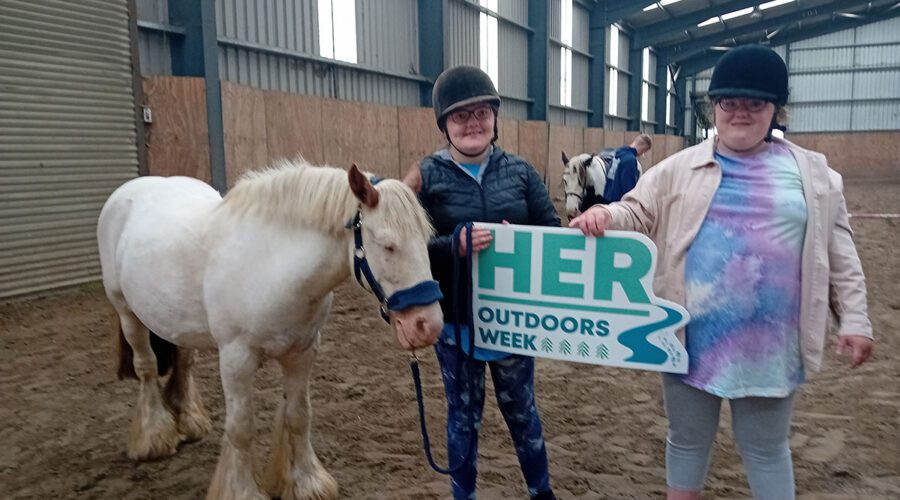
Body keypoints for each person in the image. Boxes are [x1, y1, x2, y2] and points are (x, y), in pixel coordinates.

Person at [569, 45, 873, 499]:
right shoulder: (677, 168)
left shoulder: (816, 176)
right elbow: (636, 209)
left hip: (771, 346)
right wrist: (606, 217)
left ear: (775, 109)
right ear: (715, 107)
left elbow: (841, 252)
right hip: (690, 338)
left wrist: (855, 318)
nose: (741, 113)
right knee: (687, 441)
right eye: (729, 102)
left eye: (756, 103)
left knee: (768, 450)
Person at [417, 65, 560, 500]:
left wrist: (519, 243)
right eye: (461, 116)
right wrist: (451, 245)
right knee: (462, 417)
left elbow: (551, 229)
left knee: (522, 413)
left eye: (481, 113)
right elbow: (406, 247)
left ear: (495, 119)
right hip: (457, 325)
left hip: (513, 323)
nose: (473, 123)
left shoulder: (520, 172)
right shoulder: (426, 177)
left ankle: (541, 491)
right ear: (445, 125)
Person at [602, 133, 652, 203]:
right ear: (643, 149)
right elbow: (628, 188)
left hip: (607, 199)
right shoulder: (630, 160)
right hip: (619, 204)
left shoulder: (617, 153)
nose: (641, 155)